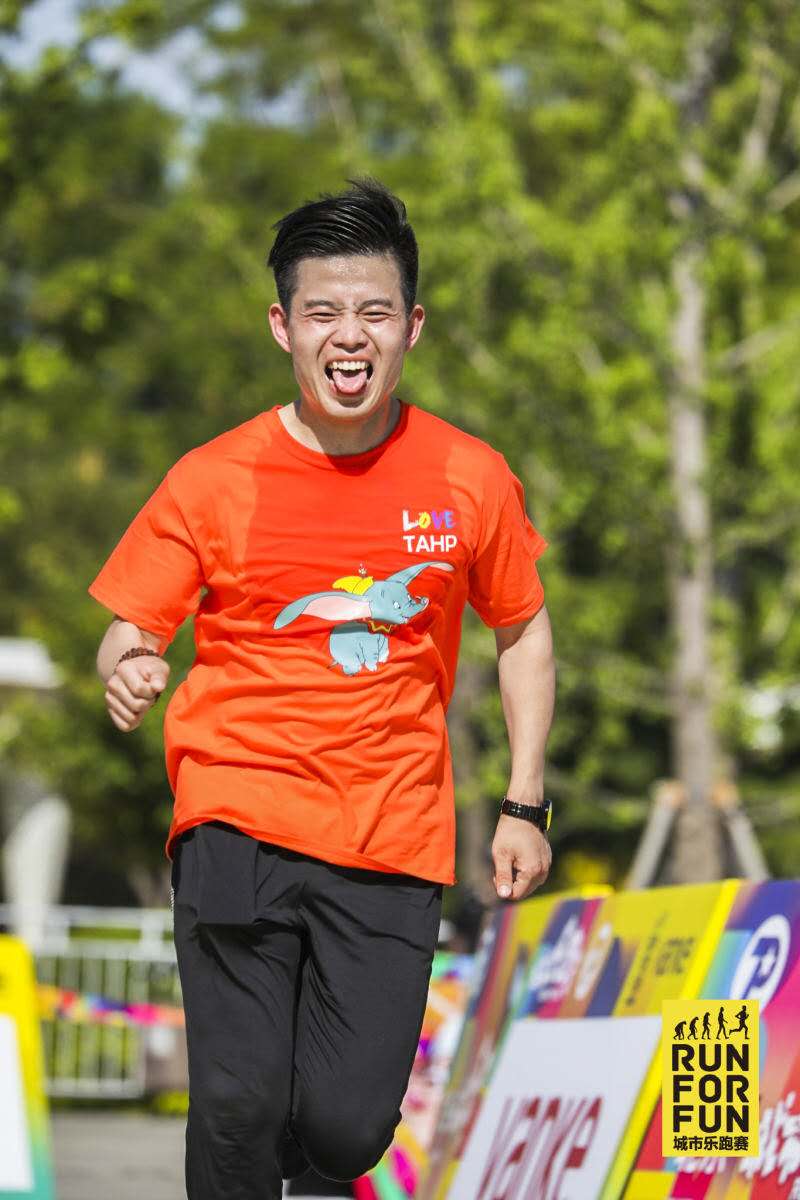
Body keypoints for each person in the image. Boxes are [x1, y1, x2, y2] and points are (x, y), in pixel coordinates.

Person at [87, 178, 555, 1200]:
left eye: (374, 312)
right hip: (236, 812)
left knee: (346, 1131)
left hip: (392, 833)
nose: (350, 336)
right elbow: (132, 625)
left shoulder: (468, 476)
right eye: (324, 312)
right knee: (238, 1104)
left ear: (411, 328)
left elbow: (521, 630)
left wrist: (523, 803)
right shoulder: (214, 477)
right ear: (283, 326)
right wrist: (127, 664)